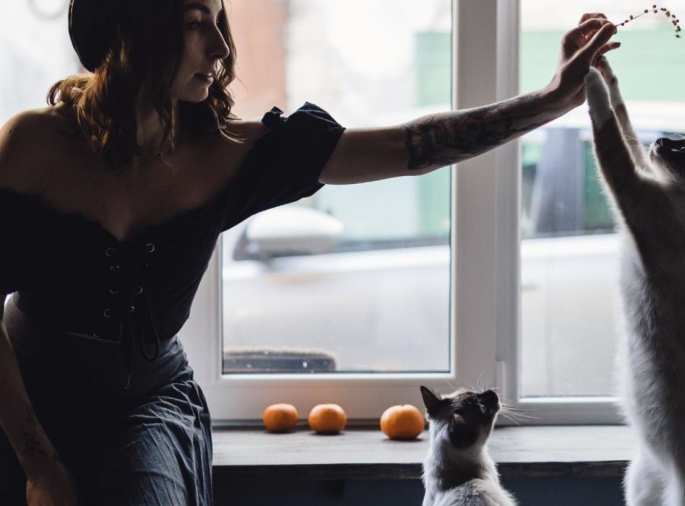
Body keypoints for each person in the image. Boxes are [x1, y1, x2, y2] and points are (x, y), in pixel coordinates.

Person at [0, 0, 618, 504]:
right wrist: (39, 464)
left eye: (221, 22)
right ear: (131, 28)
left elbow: (411, 148)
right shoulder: (33, 146)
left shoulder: (234, 155)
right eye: (195, 24)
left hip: (146, 404)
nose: (220, 48)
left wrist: (550, 101)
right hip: (22, 393)